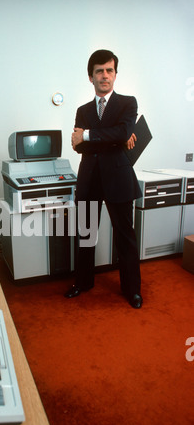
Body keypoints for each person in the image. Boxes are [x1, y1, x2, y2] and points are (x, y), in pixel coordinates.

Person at [65, 49, 143, 309]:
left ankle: (132, 290)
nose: (105, 75)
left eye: (109, 70)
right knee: (86, 235)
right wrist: (114, 138)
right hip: (89, 180)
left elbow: (122, 131)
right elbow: (78, 147)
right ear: (91, 77)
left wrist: (89, 135)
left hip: (118, 179)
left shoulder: (128, 103)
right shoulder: (83, 110)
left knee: (125, 236)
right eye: (99, 71)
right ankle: (83, 282)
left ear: (115, 74)